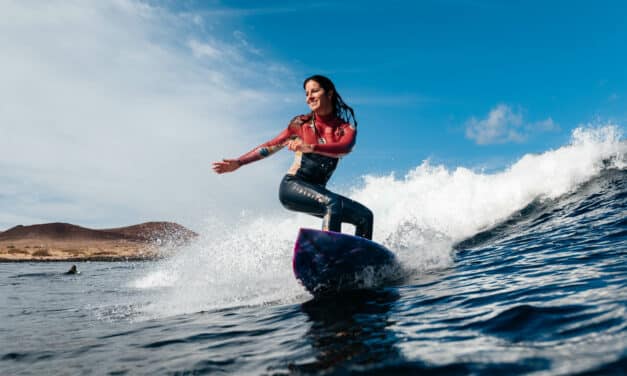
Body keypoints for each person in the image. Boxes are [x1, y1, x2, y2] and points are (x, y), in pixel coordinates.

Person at [212, 75, 373, 239]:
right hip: (292, 186)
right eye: (306, 93)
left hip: (319, 193)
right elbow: (270, 146)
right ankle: (329, 252)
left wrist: (310, 147)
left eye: (314, 91)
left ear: (329, 93)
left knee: (365, 217)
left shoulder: (346, 129)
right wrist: (239, 162)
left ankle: (364, 263)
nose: (309, 97)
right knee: (332, 203)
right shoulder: (300, 125)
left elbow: (344, 148)